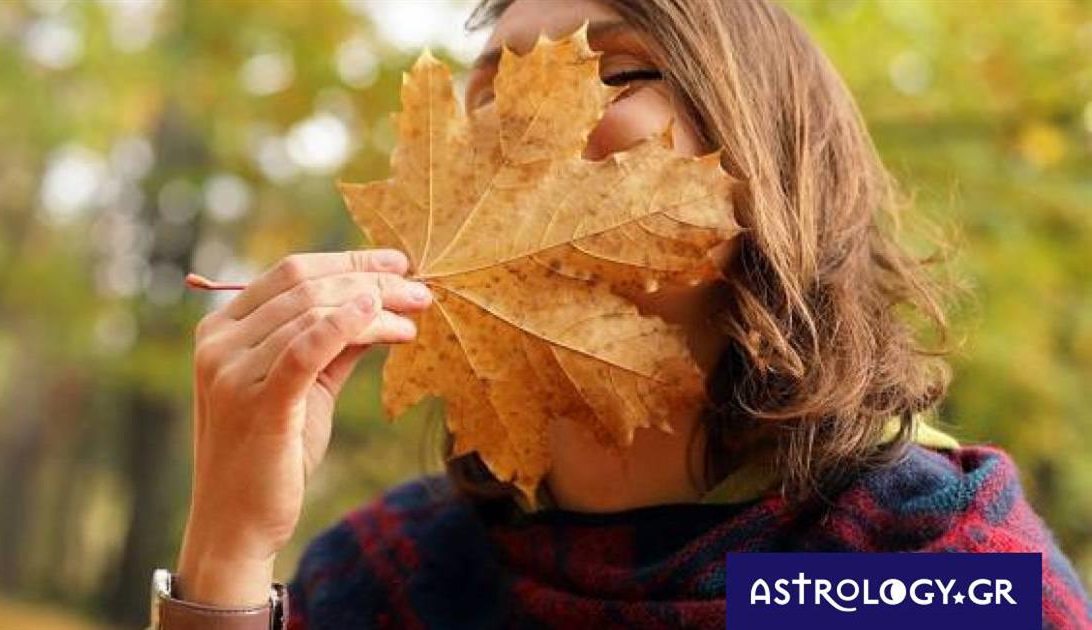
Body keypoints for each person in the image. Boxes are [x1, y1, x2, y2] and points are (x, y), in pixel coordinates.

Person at [153, 0, 1092, 628]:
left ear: (774, 162)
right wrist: (226, 554)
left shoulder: (926, 575)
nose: (515, 131)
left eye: (618, 74)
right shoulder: (387, 577)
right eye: (484, 97)